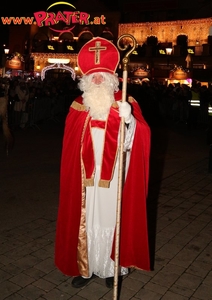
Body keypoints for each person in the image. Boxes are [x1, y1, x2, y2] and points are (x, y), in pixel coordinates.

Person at [55, 37, 151, 289]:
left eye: (101, 77)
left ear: (111, 80)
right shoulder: (78, 105)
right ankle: (87, 268)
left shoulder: (125, 103)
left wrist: (130, 120)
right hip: (86, 177)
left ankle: (113, 268)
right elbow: (70, 143)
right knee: (88, 218)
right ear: (86, 82)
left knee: (112, 217)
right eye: (92, 78)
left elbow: (139, 138)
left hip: (116, 172)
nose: (97, 81)